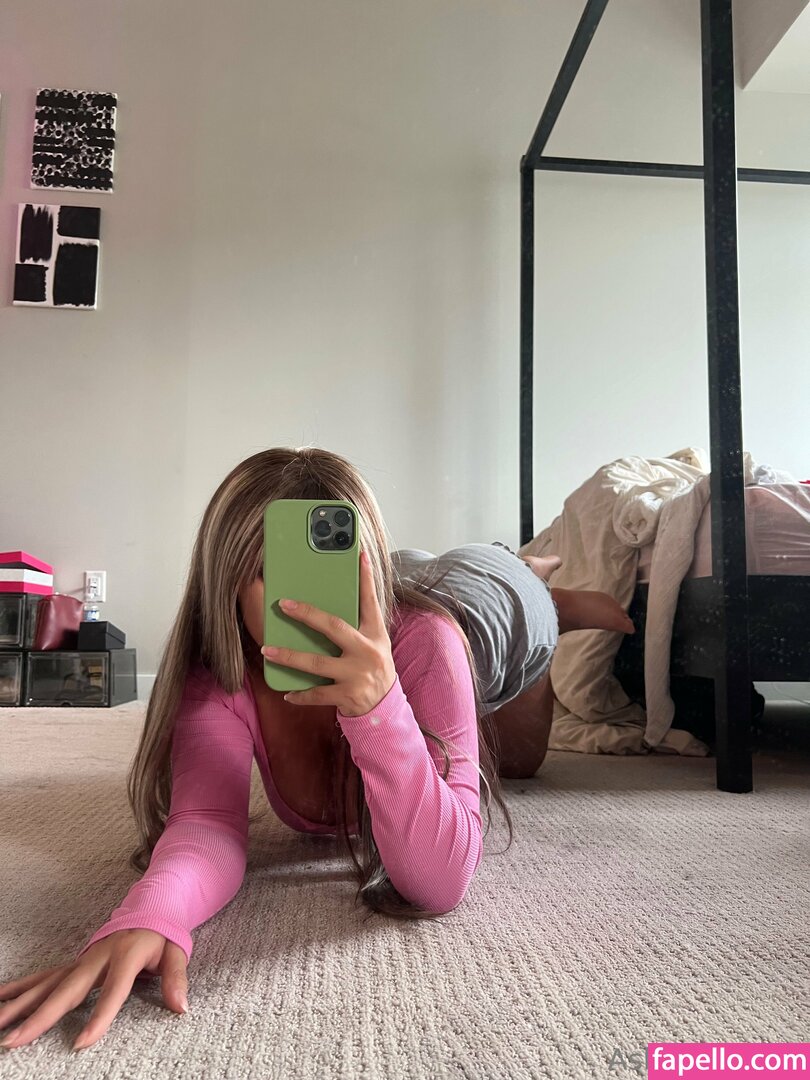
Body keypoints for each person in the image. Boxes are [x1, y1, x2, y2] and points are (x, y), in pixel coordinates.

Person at [0, 447, 633, 1052]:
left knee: (520, 737)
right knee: (414, 599)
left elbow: (440, 882)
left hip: (485, 619)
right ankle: (423, 567)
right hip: (400, 579)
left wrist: (380, 708)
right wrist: (153, 911)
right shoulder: (219, 677)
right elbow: (206, 824)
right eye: (268, 572)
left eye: (307, 578)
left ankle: (536, 579)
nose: (302, 603)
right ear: (226, 584)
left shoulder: (428, 642)